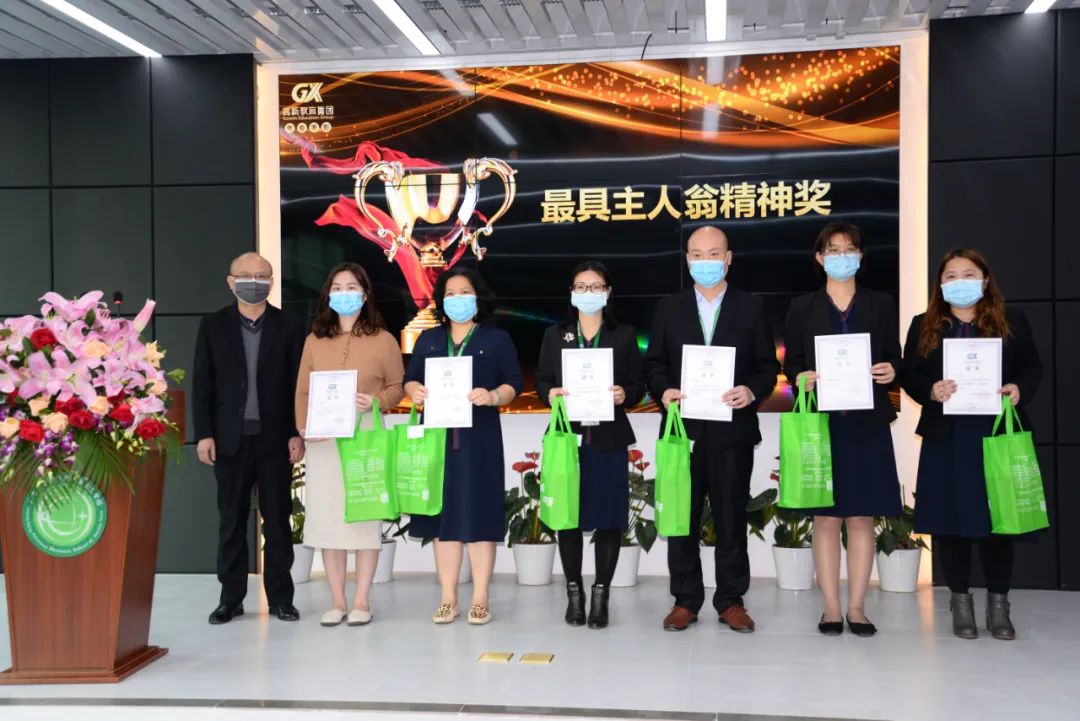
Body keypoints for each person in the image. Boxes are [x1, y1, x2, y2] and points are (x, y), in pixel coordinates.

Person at [643, 226, 779, 633]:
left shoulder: (751, 307)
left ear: (728, 259)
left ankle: (731, 600)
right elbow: (654, 364)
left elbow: (767, 367)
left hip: (732, 432)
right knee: (681, 518)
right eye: (698, 255)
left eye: (714, 254)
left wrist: (750, 391)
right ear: (688, 260)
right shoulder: (669, 308)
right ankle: (685, 600)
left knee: (731, 517)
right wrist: (663, 390)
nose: (706, 262)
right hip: (682, 433)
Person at [901, 249, 1042, 641]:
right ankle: (960, 601)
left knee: (999, 521)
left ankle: (999, 604)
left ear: (984, 280)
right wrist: (930, 390)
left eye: (968, 273)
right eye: (951, 275)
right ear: (940, 283)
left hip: (995, 434)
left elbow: (1032, 367)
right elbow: (909, 373)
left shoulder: (1012, 320)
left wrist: (1018, 389)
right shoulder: (924, 324)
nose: (959, 281)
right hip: (946, 435)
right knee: (950, 522)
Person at [782, 221, 902, 637]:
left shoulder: (881, 303)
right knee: (826, 518)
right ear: (820, 258)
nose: (842, 256)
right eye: (833, 250)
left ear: (861, 257)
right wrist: (801, 378)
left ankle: (857, 608)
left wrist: (891, 371)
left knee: (862, 518)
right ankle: (831, 608)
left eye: (850, 249)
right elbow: (792, 364)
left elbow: (894, 358)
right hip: (823, 424)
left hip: (867, 424)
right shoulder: (802, 307)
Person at [404, 267, 523, 625]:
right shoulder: (429, 339)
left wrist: (493, 395)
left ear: (478, 297)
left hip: (479, 438)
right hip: (437, 439)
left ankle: (481, 596)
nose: (458, 299)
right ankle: (448, 597)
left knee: (480, 513)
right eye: (450, 294)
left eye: (465, 292)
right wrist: (415, 391)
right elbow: (410, 379)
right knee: (442, 519)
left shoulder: (496, 338)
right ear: (441, 301)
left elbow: (514, 382)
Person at [193, 252, 305, 624]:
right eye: (244, 275)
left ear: (271, 282)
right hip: (229, 440)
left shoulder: (290, 326)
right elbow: (202, 384)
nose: (253, 282)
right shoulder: (213, 325)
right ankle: (231, 599)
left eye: (261, 276)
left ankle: (281, 599)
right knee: (231, 521)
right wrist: (204, 434)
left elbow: (298, 385)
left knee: (278, 522)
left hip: (276, 440)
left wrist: (296, 432)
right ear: (230, 282)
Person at [535, 261, 647, 629]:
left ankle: (601, 595)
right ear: (571, 292)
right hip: (568, 439)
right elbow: (542, 380)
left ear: (608, 292)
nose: (588, 293)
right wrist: (550, 393)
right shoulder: (556, 335)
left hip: (609, 438)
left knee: (609, 519)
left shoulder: (624, 335)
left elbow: (638, 385)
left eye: (595, 286)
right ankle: (574, 594)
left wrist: (624, 393)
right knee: (567, 517)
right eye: (581, 286)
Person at [295, 262, 405, 627]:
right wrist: (305, 427)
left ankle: (361, 601)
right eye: (337, 288)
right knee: (328, 521)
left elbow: (397, 388)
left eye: (352, 287)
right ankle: (338, 601)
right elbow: (303, 391)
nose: (345, 294)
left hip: (365, 435)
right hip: (324, 440)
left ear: (365, 294)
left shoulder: (384, 340)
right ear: (328, 295)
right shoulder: (314, 340)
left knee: (364, 517)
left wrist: (376, 401)